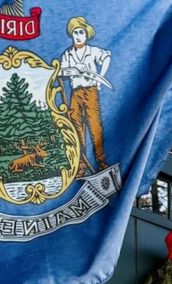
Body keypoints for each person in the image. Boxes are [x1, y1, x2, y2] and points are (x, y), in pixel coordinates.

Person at [60, 17, 111, 176]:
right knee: (76, 128)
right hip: (76, 93)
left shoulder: (92, 51)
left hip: (90, 91)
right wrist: (75, 70)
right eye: (75, 32)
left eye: (81, 32)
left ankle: (101, 161)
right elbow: (61, 72)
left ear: (86, 34)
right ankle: (80, 164)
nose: (78, 35)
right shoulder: (68, 54)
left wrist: (99, 77)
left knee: (95, 126)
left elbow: (107, 57)